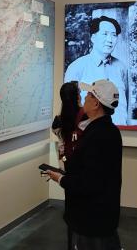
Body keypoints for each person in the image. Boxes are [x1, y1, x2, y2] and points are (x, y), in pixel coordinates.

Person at [47, 79, 123, 250]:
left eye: (89, 94)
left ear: (96, 104)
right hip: (98, 216)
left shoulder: (97, 135)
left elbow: (88, 181)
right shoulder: (107, 131)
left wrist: (61, 178)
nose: (84, 97)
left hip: (90, 220)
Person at [65, 16, 129, 125]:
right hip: (89, 133)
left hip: (120, 132)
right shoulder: (76, 68)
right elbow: (69, 109)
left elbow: (125, 104)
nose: (110, 40)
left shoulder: (121, 67)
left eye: (114, 35)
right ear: (93, 38)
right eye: (105, 34)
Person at [51, 81, 88, 250]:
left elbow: (60, 142)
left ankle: (71, 244)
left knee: (71, 209)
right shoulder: (85, 117)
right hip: (83, 167)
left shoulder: (58, 120)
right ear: (77, 96)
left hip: (66, 166)